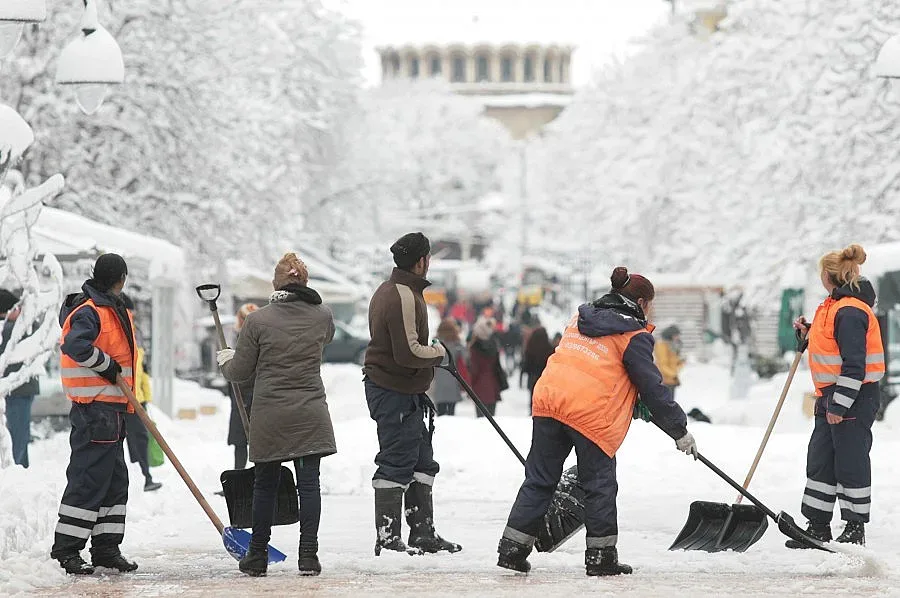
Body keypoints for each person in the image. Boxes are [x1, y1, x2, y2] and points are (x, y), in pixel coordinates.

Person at [496, 267, 695, 576]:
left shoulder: (580, 320)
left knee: (540, 478)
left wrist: (631, 399)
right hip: (589, 412)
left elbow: (594, 364)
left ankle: (512, 549)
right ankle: (601, 557)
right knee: (599, 485)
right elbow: (653, 387)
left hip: (549, 400)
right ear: (642, 303)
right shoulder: (634, 335)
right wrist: (679, 430)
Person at [219, 253, 337, 577]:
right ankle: (309, 556)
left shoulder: (258, 322)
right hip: (311, 411)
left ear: (276, 283)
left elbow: (240, 372)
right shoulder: (323, 315)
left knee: (265, 485)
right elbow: (327, 337)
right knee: (309, 485)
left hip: (271, 414)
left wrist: (228, 360)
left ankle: (256, 555)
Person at [362, 232, 461, 556]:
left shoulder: (394, 291)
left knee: (421, 460)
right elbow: (407, 352)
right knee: (396, 461)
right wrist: (439, 354)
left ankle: (422, 532)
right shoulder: (401, 294)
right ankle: (388, 538)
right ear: (422, 261)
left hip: (404, 391)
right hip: (393, 391)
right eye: (428, 257)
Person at [787, 244, 882, 548]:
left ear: (828, 276)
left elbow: (855, 363)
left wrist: (840, 404)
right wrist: (807, 332)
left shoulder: (851, 310)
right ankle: (817, 526)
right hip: (830, 395)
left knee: (850, 462)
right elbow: (830, 343)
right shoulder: (832, 306)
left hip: (854, 395)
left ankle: (854, 528)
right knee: (821, 459)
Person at [50, 253, 139, 575]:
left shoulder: (111, 308)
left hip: (111, 409)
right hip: (94, 410)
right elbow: (75, 346)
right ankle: (67, 550)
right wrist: (108, 366)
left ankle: (106, 548)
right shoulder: (90, 311)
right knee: (88, 479)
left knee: (115, 481)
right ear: (121, 278)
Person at [120, 294, 161, 492]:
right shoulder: (119, 333)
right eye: (129, 311)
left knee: (140, 436)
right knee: (132, 437)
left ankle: (145, 475)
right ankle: (144, 476)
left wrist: (146, 394)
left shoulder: (136, 333)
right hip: (125, 395)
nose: (132, 315)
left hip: (138, 396)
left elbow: (141, 369)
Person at [0, 289, 39, 469]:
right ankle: (16, 475)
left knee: (17, 438)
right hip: (17, 392)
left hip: (16, 391)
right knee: (18, 439)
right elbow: (39, 329)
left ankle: (20, 475)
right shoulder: (11, 329)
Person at [227, 303, 258, 471]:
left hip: (248, 395)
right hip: (242, 395)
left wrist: (230, 366)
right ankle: (241, 477)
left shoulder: (251, 340)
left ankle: (256, 480)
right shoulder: (244, 338)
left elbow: (246, 368)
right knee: (243, 442)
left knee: (253, 442)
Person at [468, 316, 505, 418]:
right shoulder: (494, 344)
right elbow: (497, 366)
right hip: (493, 384)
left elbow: (474, 369)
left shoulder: (475, 347)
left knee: (481, 418)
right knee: (491, 418)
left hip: (479, 385)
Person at [430, 318, 468, 416]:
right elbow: (466, 358)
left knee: (440, 411)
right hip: (453, 378)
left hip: (439, 381)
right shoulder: (457, 344)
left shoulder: (435, 344)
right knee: (451, 411)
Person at [522, 326, 554, 414]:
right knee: (544, 397)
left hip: (533, 377)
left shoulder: (530, 347)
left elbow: (526, 364)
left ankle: (532, 411)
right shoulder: (549, 348)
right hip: (544, 377)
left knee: (533, 396)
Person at [654, 325, 685, 399]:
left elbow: (673, 362)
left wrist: (680, 362)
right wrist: (673, 374)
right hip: (664, 380)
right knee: (666, 403)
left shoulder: (672, 345)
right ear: (670, 335)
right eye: (676, 335)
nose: (678, 337)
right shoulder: (662, 345)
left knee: (671, 402)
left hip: (671, 380)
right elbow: (662, 365)